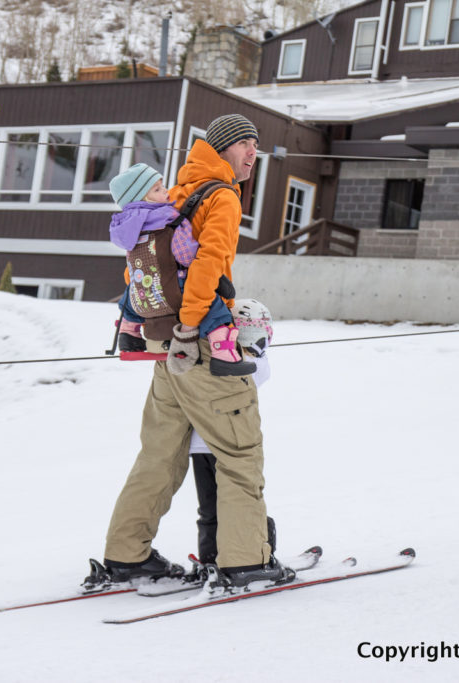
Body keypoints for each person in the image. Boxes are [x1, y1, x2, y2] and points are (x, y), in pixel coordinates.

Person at [88, 114, 293, 589]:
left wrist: (146, 325)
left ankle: (127, 554)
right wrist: (190, 326)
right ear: (223, 147)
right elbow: (206, 266)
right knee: (240, 451)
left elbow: (142, 264)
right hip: (196, 342)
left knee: (159, 454)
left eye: (256, 145)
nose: (253, 153)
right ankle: (246, 561)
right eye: (246, 143)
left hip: (166, 346)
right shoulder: (220, 196)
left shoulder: (179, 192)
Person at [107, 162, 253, 376]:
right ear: (142, 198)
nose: (166, 190)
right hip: (171, 294)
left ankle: (128, 334)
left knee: (132, 291)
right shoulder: (167, 220)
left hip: (142, 300)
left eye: (162, 185)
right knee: (213, 304)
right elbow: (186, 256)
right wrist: (215, 279)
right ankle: (223, 354)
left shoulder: (125, 229)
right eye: (157, 189)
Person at [190, 299, 275, 566]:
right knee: (241, 502)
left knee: (210, 509)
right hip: (229, 446)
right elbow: (260, 363)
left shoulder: (206, 361)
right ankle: (257, 555)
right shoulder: (254, 366)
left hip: (199, 445)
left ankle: (211, 558)